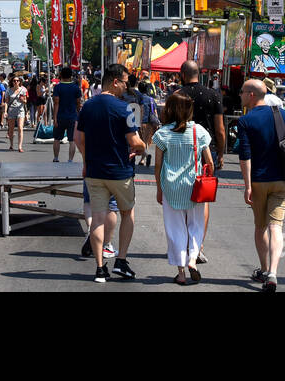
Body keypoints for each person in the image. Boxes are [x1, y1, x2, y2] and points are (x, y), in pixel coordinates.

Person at [76, 64, 145, 283]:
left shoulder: (87, 106)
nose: (127, 86)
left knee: (97, 219)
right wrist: (142, 146)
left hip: (94, 171)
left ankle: (99, 269)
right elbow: (134, 142)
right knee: (127, 212)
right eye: (125, 82)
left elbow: (78, 138)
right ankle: (121, 260)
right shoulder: (125, 108)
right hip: (120, 171)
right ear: (115, 81)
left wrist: (87, 160)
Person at [237, 78, 285, 292]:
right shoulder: (281, 114)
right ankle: (273, 273)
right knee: (276, 227)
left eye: (242, 92)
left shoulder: (245, 121)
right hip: (282, 179)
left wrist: (247, 185)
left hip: (258, 180)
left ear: (251, 95)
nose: (240, 96)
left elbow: (245, 155)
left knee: (260, 226)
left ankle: (264, 269)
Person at [152, 91, 213, 285]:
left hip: (171, 187)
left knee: (175, 228)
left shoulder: (162, 134)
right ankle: (193, 259)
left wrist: (159, 188)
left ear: (169, 109)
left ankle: (181, 273)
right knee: (195, 225)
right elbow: (209, 162)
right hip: (194, 186)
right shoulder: (199, 131)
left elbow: (158, 165)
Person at [178, 60, 225, 264]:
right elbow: (220, 128)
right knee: (202, 197)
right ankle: (198, 245)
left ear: (182, 74)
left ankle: (185, 242)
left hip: (181, 149)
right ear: (200, 73)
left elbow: (169, 123)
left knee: (182, 196)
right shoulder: (213, 95)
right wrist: (221, 153)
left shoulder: (178, 95)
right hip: (207, 152)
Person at [52, 66, 83, 162]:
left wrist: (55, 118)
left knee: (57, 139)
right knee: (72, 140)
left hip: (60, 116)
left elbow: (56, 103)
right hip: (72, 117)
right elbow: (78, 103)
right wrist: (79, 114)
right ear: (71, 76)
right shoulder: (76, 88)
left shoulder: (57, 87)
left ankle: (56, 158)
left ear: (61, 75)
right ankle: (70, 160)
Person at [4, 75, 28, 152]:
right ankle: (11, 144)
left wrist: (23, 100)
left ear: (19, 82)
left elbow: (25, 101)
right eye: (14, 81)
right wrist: (5, 111)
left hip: (20, 110)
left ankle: (20, 146)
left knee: (20, 128)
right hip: (11, 110)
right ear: (12, 82)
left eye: (17, 81)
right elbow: (6, 102)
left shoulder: (23, 90)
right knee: (11, 129)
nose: (16, 82)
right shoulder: (9, 90)